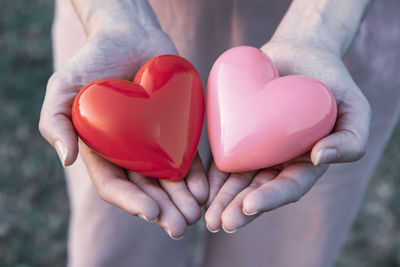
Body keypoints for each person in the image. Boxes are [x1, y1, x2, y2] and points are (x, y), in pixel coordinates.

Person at [39, 0, 400, 266]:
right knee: (118, 242)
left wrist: (319, 28)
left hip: (338, 24)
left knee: (283, 249)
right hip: (131, 26)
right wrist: (113, 17)